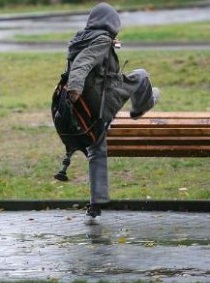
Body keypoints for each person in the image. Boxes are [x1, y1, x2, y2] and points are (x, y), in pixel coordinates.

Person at [66, 2, 159, 223]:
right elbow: (82, 63)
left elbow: (83, 58)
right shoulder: (100, 39)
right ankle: (141, 108)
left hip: (86, 108)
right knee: (142, 76)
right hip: (103, 99)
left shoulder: (81, 38)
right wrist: (75, 88)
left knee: (97, 149)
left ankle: (96, 203)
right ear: (111, 23)